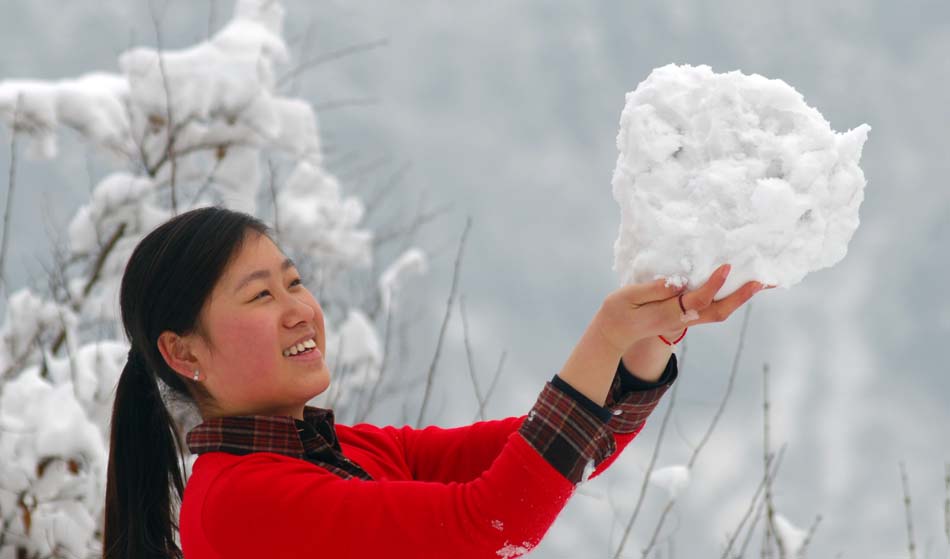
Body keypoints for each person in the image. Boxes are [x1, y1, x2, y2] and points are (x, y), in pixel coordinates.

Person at [101, 206, 765, 559]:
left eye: (295, 281)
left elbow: (567, 450)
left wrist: (657, 328)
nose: (299, 307)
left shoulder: (355, 451)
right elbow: (492, 524)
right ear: (182, 352)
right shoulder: (238, 500)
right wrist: (605, 335)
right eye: (259, 295)